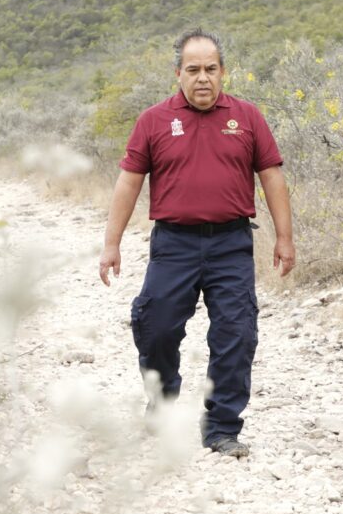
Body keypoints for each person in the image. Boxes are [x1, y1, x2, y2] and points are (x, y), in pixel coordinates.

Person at [99, 28, 296, 458]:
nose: (202, 78)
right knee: (155, 326)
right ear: (178, 74)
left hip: (231, 243)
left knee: (236, 333)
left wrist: (285, 237)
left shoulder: (247, 117)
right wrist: (112, 243)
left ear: (223, 71)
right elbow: (129, 182)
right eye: (193, 70)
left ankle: (222, 428)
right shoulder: (153, 120)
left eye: (210, 69)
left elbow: (271, 177)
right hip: (174, 244)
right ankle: (162, 398)